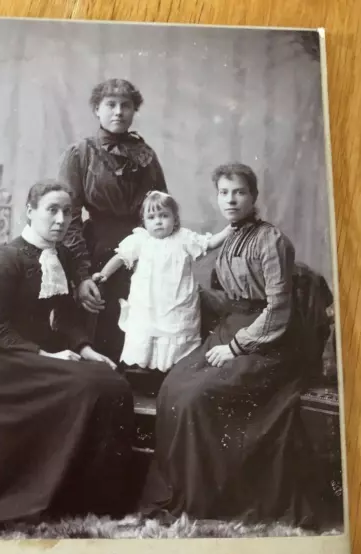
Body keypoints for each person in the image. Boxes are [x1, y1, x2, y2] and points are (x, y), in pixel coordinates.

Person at [141, 163, 326, 530]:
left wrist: (237, 347)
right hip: (231, 328)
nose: (231, 199)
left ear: (253, 197)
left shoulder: (271, 240)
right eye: (224, 192)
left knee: (198, 396)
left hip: (271, 341)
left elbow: (278, 309)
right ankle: (182, 491)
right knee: (174, 386)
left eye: (239, 192)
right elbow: (231, 299)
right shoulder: (230, 237)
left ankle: (207, 499)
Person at [0, 180, 136, 527]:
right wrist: (47, 357)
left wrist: (86, 349)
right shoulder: (5, 259)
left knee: (110, 381)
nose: (61, 219)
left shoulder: (60, 255)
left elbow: (63, 317)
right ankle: (46, 490)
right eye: (52, 210)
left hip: (39, 355)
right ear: (30, 211)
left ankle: (88, 497)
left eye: (68, 212)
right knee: (90, 388)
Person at [59, 78, 168, 362]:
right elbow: (69, 217)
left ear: (134, 111)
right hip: (95, 249)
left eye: (126, 106)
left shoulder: (146, 156)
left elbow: (162, 211)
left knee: (135, 329)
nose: (119, 112)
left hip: (141, 252)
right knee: (97, 323)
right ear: (97, 109)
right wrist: (81, 275)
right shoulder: (80, 154)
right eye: (111, 105)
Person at [92, 190, 231, 373]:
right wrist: (104, 274)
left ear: (175, 219)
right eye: (151, 217)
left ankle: (173, 370)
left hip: (176, 300)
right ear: (144, 221)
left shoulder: (183, 238)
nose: (158, 221)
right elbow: (120, 257)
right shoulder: (140, 240)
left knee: (176, 330)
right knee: (145, 330)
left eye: (164, 215)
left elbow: (210, 243)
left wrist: (229, 229)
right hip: (147, 301)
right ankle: (143, 369)